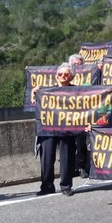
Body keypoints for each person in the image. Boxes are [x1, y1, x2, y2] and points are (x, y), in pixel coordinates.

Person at [33, 63, 78, 196]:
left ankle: (66, 185)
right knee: (46, 157)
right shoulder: (47, 90)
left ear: (71, 77)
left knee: (67, 157)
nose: (63, 76)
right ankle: (46, 186)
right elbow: (35, 105)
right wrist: (35, 93)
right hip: (48, 127)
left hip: (68, 128)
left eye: (66, 74)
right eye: (60, 74)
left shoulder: (78, 91)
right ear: (56, 76)